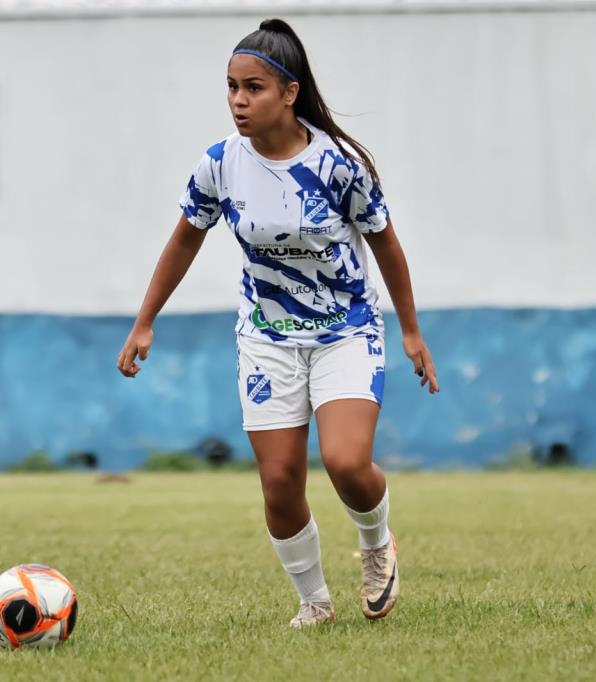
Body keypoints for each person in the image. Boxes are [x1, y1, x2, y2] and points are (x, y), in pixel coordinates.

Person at [116, 17, 441, 628]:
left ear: (290, 93)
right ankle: (314, 602)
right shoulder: (220, 163)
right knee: (280, 481)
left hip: (346, 331)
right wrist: (144, 321)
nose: (238, 101)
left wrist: (411, 330)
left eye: (254, 88)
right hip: (266, 339)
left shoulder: (339, 164)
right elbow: (184, 239)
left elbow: (386, 245)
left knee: (346, 462)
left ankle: (377, 544)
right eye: (232, 87)